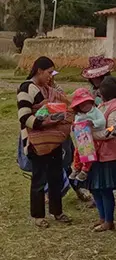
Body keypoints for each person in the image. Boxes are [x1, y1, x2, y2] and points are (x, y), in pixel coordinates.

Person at [18, 56, 71, 227]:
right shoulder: (26, 88)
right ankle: (38, 216)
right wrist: (45, 122)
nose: (51, 76)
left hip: (53, 140)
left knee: (55, 176)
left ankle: (57, 211)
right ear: (39, 71)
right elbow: (24, 117)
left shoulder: (49, 89)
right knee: (39, 178)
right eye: (49, 72)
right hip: (36, 141)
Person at [89, 76, 116, 232]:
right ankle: (102, 217)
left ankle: (108, 220)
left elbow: (113, 130)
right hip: (99, 154)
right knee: (96, 188)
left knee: (105, 189)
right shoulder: (105, 105)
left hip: (109, 154)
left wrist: (94, 134)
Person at [68, 88, 104, 182]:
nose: (86, 106)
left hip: (94, 138)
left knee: (89, 153)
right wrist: (74, 127)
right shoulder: (79, 115)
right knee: (77, 152)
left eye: (87, 103)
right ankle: (76, 168)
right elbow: (76, 124)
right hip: (82, 139)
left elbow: (102, 121)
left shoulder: (96, 111)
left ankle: (85, 170)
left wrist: (93, 122)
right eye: (83, 105)